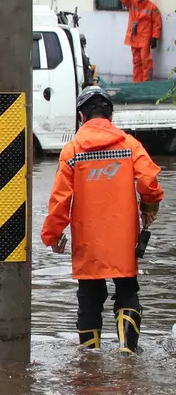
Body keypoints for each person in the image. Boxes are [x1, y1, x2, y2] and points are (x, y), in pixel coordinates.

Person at [41, 85, 163, 354]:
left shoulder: (72, 151)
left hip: (88, 239)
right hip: (123, 236)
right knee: (127, 289)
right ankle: (127, 352)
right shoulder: (129, 145)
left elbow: (60, 199)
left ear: (81, 117)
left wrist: (52, 235)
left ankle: (89, 360)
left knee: (89, 297)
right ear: (110, 116)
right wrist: (149, 206)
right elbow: (149, 181)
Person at [119, 0, 161, 83]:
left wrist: (155, 37)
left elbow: (157, 23)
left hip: (144, 39)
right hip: (134, 38)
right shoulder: (132, 3)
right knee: (136, 62)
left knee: (145, 62)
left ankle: (146, 84)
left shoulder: (151, 7)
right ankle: (137, 84)